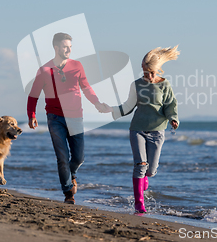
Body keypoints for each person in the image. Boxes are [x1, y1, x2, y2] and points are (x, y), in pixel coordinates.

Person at [27, 32, 108, 204]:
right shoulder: (44, 70)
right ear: (56, 48)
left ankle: (72, 175)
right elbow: (33, 95)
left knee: (79, 158)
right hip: (55, 118)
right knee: (62, 157)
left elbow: (86, 88)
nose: (68, 50)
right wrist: (31, 115)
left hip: (75, 116)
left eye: (70, 47)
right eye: (65, 46)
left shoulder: (77, 66)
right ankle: (68, 193)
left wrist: (97, 103)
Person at [103, 46, 180, 213]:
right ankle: (139, 204)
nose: (149, 76)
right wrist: (112, 110)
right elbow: (129, 105)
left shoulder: (165, 85)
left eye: (152, 73)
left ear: (157, 70)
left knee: (151, 170)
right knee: (140, 165)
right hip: (137, 129)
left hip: (157, 131)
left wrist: (173, 118)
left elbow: (170, 105)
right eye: (145, 73)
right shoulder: (136, 85)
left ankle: (146, 177)